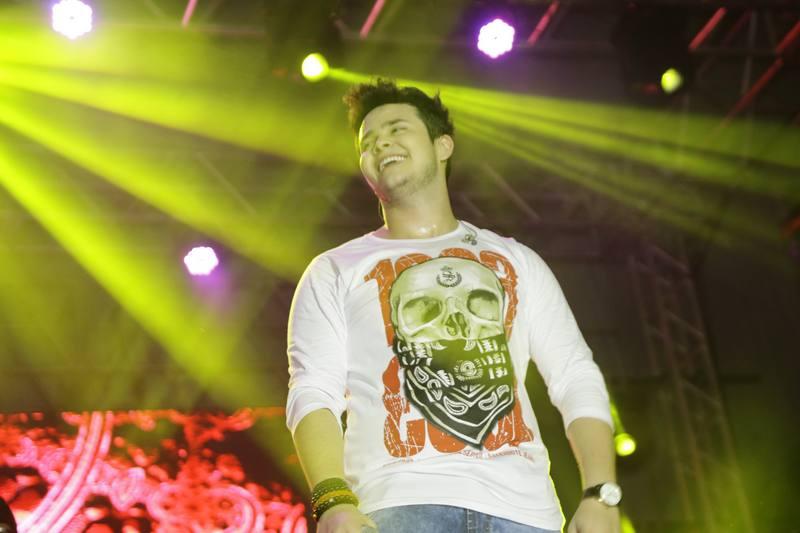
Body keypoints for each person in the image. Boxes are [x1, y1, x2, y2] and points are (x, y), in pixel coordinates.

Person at [286, 79, 621, 533]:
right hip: (399, 510)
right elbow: (313, 392)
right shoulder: (335, 269)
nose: (380, 143)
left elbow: (574, 374)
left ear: (443, 145)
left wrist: (600, 492)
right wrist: (333, 502)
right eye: (367, 142)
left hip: (526, 514)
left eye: (396, 128)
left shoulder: (515, 260)